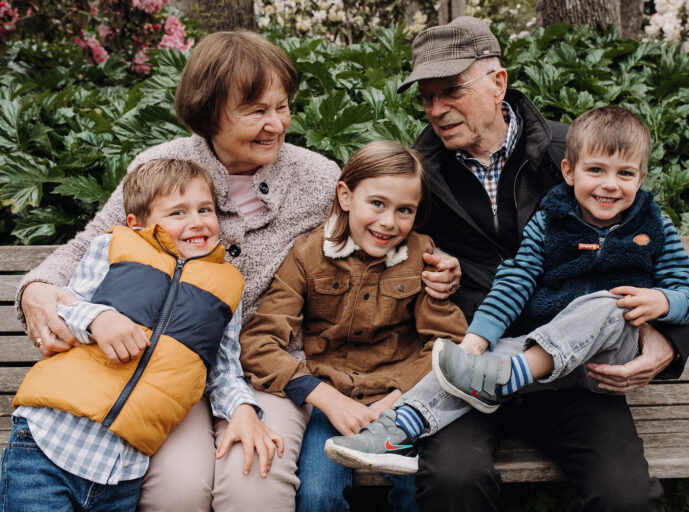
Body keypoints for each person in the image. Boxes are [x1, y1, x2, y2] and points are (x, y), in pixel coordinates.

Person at [14, 31, 459, 510]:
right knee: (175, 492)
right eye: (255, 111)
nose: (276, 124)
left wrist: (440, 268)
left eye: (281, 107)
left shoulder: (317, 179)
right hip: (168, 367)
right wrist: (36, 289)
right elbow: (88, 248)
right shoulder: (162, 169)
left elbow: (378, 238)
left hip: (270, 372)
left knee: (255, 486)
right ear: (209, 113)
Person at [390, 16, 689, 511]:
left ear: (498, 83)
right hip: (476, 369)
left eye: (450, 91)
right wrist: (426, 269)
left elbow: (653, 251)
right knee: (451, 484)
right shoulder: (419, 174)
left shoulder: (575, 154)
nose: (436, 110)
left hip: (576, 372)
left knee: (625, 499)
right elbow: (373, 250)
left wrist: (667, 340)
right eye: (426, 97)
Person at [324, 106, 689, 475]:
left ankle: (507, 374)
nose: (609, 184)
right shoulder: (550, 220)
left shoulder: (655, 227)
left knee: (612, 301)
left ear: (641, 177)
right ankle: (396, 431)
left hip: (604, 360)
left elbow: (688, 298)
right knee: (476, 363)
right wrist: (475, 341)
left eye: (625, 173)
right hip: (538, 353)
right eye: (596, 170)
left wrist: (662, 300)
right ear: (568, 172)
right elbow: (516, 279)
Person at [2, 159, 283, 511]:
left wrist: (242, 408)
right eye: (178, 213)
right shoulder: (116, 247)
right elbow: (65, 305)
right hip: (51, 441)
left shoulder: (228, 286)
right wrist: (99, 318)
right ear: (137, 223)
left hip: (122, 469)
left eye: (205, 209)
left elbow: (222, 366)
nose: (197, 222)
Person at [238, 140, 468, 511]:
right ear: (345, 195)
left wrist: (398, 399)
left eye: (404, 210)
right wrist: (323, 397)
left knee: (417, 490)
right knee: (317, 495)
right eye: (377, 203)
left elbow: (448, 342)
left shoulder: (422, 255)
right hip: (332, 402)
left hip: (402, 404)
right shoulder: (306, 255)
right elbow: (258, 342)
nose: (389, 222)